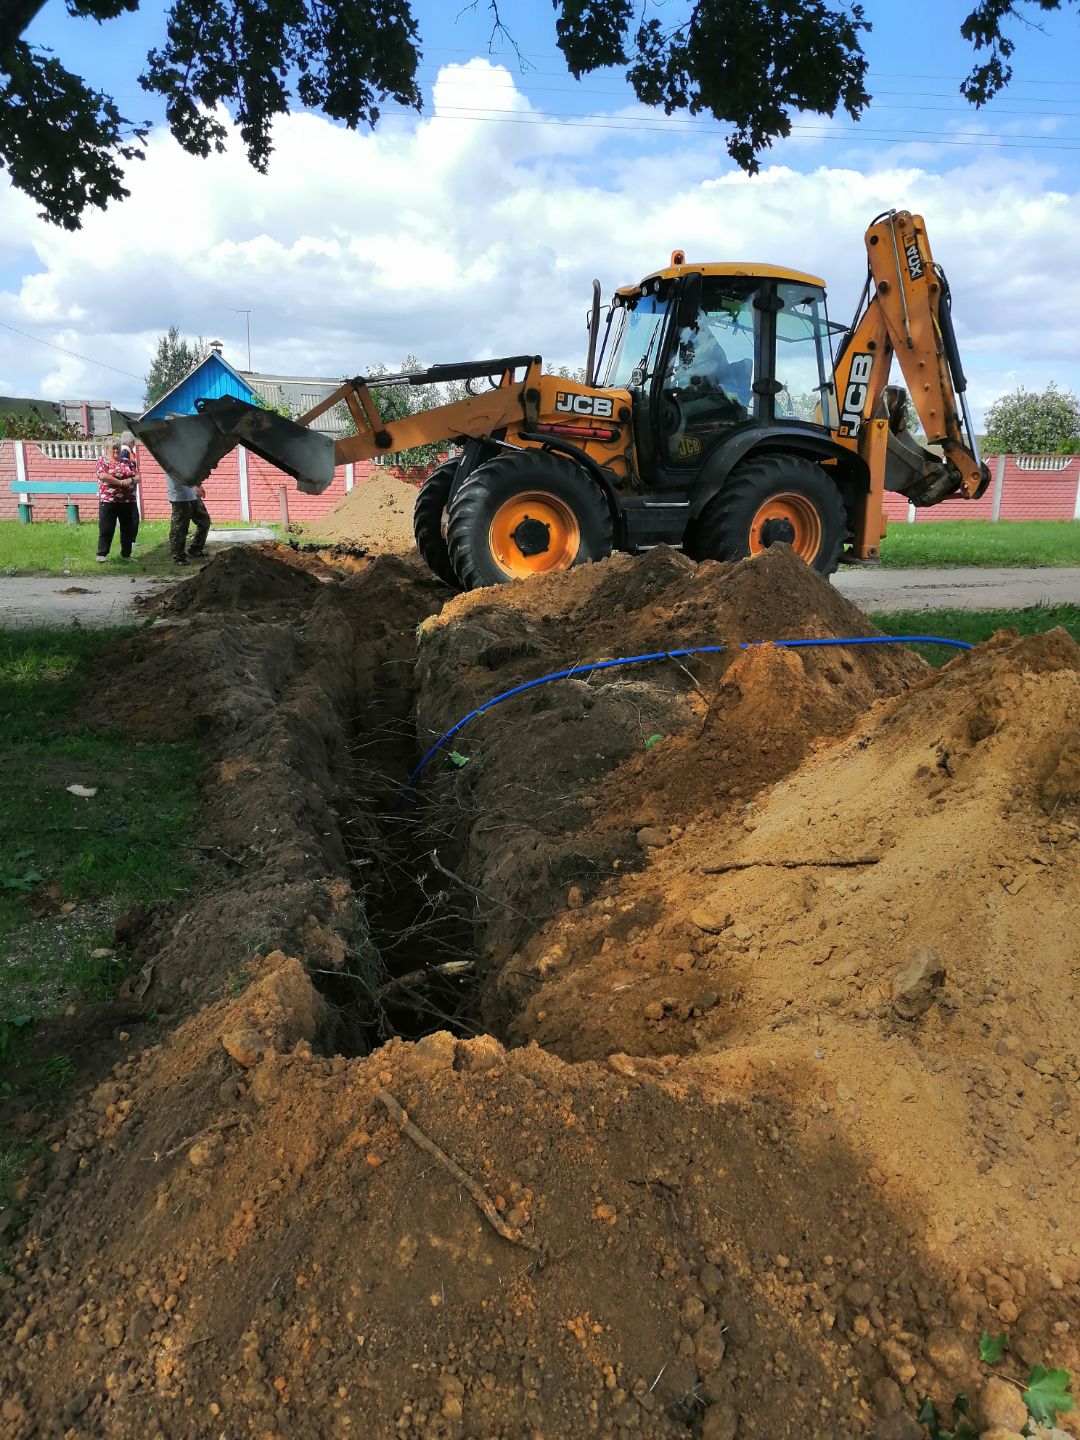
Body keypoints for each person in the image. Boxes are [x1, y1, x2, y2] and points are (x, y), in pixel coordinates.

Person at [96, 441, 138, 562]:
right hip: (109, 500)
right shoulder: (102, 461)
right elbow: (103, 476)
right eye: (113, 449)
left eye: (117, 449)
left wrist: (130, 480)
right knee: (107, 528)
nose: (116, 451)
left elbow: (138, 477)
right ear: (107, 449)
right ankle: (101, 554)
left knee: (127, 528)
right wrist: (120, 482)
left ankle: (126, 554)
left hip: (128, 501)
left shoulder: (127, 462)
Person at [166, 471, 212, 566]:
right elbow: (178, 472)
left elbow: (191, 470)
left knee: (204, 520)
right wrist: (195, 486)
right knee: (180, 528)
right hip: (179, 496)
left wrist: (198, 485)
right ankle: (178, 557)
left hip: (192, 494)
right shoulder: (173, 461)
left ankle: (195, 550)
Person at [119, 430, 141, 547]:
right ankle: (130, 540)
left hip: (129, 490)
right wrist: (134, 478)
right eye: (133, 442)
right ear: (130, 442)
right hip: (128, 491)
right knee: (133, 516)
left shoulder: (124, 451)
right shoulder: (125, 452)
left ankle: (130, 540)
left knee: (132, 516)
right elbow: (125, 470)